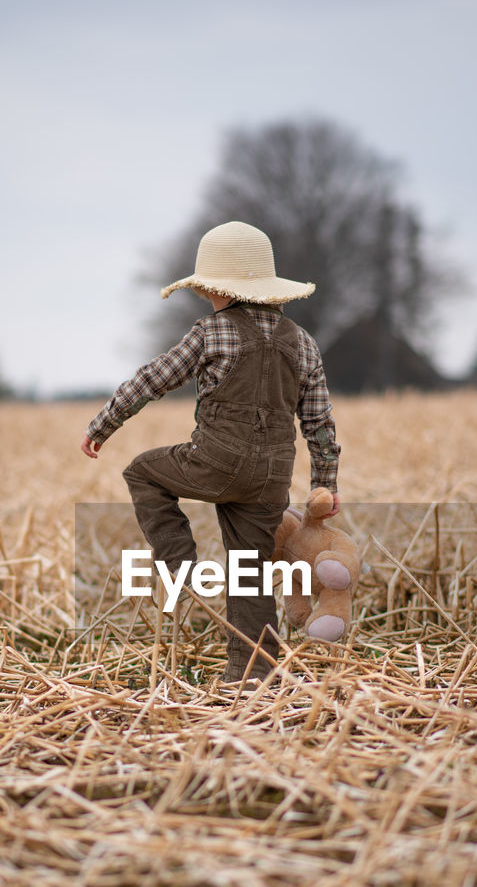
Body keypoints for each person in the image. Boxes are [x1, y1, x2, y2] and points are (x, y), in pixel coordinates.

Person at [80, 220, 341, 683]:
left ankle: (179, 564)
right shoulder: (303, 342)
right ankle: (253, 674)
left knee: (143, 472)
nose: (207, 301)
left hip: (217, 461)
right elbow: (319, 421)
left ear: (219, 290)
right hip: (272, 478)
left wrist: (104, 424)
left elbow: (152, 379)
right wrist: (325, 482)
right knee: (251, 575)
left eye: (208, 292)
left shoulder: (211, 332)